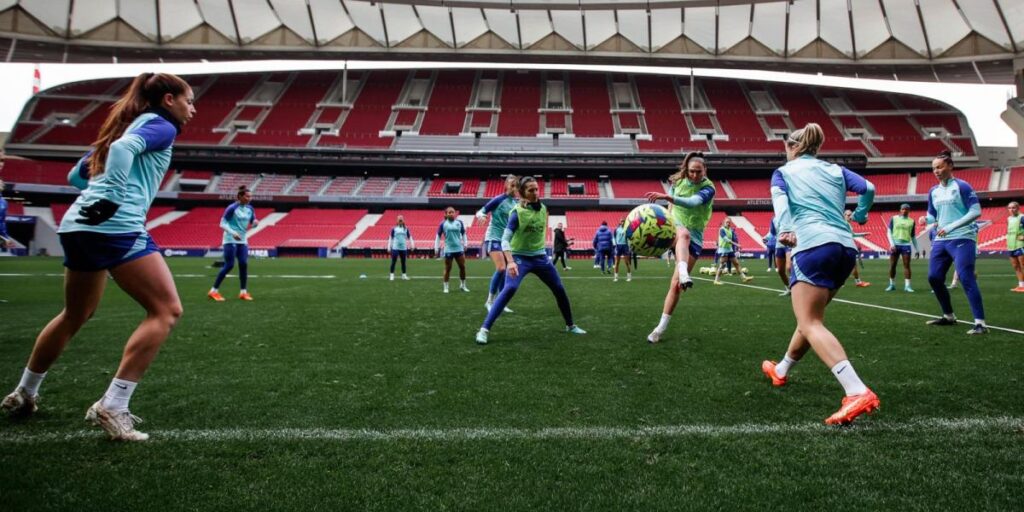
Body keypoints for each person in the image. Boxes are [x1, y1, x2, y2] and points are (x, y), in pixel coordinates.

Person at [0, 72, 195, 441]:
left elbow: (77, 176)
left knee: (75, 314)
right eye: (189, 100)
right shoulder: (161, 126)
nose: (193, 109)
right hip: (115, 226)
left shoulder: (122, 126)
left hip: (77, 224)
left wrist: (103, 192)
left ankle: (25, 392)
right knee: (166, 310)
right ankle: (114, 405)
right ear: (169, 99)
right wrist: (115, 196)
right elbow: (123, 153)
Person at [759, 122, 879, 425]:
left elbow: (780, 202)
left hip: (812, 245)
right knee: (810, 320)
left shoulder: (783, 172)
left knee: (810, 322)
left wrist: (785, 229)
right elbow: (869, 188)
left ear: (792, 147)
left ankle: (856, 390)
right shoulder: (835, 170)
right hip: (844, 248)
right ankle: (781, 370)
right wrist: (862, 214)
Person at [475, 177, 586, 344]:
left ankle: (570, 325)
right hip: (520, 258)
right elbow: (505, 240)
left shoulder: (543, 208)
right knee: (509, 288)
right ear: (522, 193)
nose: (535, 193)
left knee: (559, 289)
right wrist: (511, 261)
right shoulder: (516, 213)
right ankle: (484, 330)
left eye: (536, 189)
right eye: (530, 190)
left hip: (540, 258)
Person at [642, 151, 715, 343]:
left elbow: (692, 203)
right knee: (683, 234)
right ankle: (683, 269)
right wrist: (667, 235)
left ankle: (660, 329)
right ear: (686, 169)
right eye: (691, 171)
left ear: (705, 170)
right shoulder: (677, 183)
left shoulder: (709, 188)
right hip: (675, 229)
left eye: (698, 172)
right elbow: (670, 210)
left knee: (676, 286)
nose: (694, 175)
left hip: (696, 238)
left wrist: (667, 196)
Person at [922, 151, 987, 334]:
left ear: (950, 166)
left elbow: (976, 212)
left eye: (940, 166)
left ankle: (980, 323)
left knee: (966, 277)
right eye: (934, 168)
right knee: (934, 278)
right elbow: (932, 214)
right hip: (941, 239)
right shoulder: (933, 191)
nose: (936, 170)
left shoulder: (962, 186)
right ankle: (949, 316)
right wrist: (925, 220)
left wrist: (951, 227)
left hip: (963, 237)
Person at [208, 186, 258, 301]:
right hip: (230, 239)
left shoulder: (250, 208)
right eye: (247, 196)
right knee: (229, 265)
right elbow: (222, 223)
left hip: (243, 240)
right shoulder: (232, 208)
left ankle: (243, 292)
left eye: (250, 196)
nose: (249, 198)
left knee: (243, 264)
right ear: (240, 196)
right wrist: (233, 232)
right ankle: (213, 291)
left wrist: (255, 223)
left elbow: (252, 223)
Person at [476, 175, 518, 311]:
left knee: (505, 271)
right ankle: (489, 301)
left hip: (507, 241)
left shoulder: (516, 203)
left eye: (516, 185)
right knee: (501, 268)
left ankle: (501, 302)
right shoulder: (498, 199)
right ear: (506, 185)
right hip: (493, 237)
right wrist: (482, 216)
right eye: (512, 185)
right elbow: (481, 211)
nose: (514, 188)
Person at [435, 206, 469, 293]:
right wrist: (436, 247)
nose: (451, 213)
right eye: (449, 212)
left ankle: (463, 285)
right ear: (446, 214)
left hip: (459, 248)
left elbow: (464, 234)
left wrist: (465, 244)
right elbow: (438, 236)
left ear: (455, 213)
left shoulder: (459, 222)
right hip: (449, 249)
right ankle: (446, 287)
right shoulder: (443, 224)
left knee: (462, 267)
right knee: (448, 268)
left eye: (452, 212)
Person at [885, 203, 917, 293]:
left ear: (909, 211)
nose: (904, 211)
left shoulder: (912, 221)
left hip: (906, 245)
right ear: (900, 210)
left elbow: (913, 236)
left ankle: (907, 286)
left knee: (907, 265)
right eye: (903, 209)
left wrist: (917, 249)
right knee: (892, 265)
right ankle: (892, 285)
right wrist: (892, 244)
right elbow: (889, 232)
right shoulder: (894, 218)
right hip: (895, 244)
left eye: (906, 209)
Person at [713, 217, 753, 284]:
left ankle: (744, 277)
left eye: (729, 222)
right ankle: (716, 280)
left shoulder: (730, 230)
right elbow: (726, 239)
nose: (728, 224)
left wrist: (737, 246)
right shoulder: (722, 230)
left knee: (736, 263)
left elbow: (734, 238)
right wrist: (737, 245)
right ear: (724, 223)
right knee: (722, 265)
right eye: (727, 222)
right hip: (723, 250)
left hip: (729, 249)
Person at [845, 209, 871, 287]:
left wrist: (863, 234)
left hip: (845, 246)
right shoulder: (845, 224)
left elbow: (853, 235)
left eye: (851, 215)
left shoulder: (847, 224)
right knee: (853, 265)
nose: (850, 217)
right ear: (844, 216)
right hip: (847, 247)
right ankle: (858, 282)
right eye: (848, 215)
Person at [770, 216, 793, 296]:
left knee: (789, 267)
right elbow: (773, 232)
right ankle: (788, 289)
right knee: (780, 270)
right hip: (779, 245)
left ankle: (798, 288)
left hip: (788, 244)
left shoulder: (789, 215)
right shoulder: (773, 219)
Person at [388, 215, 414, 281]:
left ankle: (404, 275)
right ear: (397, 221)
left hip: (403, 248)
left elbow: (410, 237)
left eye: (401, 220)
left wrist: (412, 245)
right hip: (395, 247)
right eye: (399, 220)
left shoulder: (406, 229)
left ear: (403, 221)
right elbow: (390, 238)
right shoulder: (394, 229)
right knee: (393, 261)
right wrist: (389, 246)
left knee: (403, 262)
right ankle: (391, 275)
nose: (400, 221)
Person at [1006, 201, 1024, 292]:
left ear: (1018, 208)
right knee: (1016, 266)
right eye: (1009, 208)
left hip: (1020, 245)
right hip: (1010, 245)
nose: (1011, 210)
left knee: (1023, 265)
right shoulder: (1008, 219)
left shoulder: (1022, 217)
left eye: (1013, 208)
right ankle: (1021, 286)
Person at [613, 217, 632, 282]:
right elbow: (614, 237)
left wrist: (629, 246)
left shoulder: (627, 229)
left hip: (625, 246)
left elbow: (629, 237)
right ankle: (616, 277)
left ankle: (629, 276)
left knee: (627, 262)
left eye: (623, 221)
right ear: (619, 222)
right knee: (617, 262)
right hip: (618, 246)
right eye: (621, 221)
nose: (622, 222)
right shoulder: (616, 229)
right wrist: (616, 245)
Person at [0, 178, 11, 251]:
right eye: (0, 183)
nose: (2, 184)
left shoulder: (4, 202)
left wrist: (5, 236)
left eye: (2, 183)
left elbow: (2, 222)